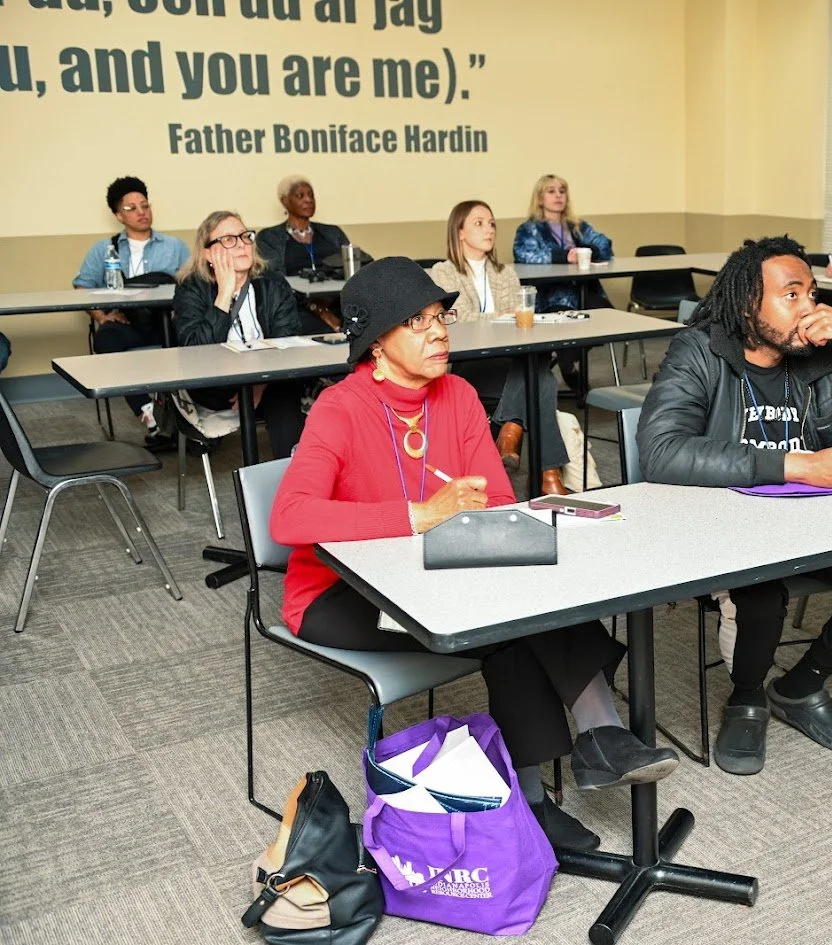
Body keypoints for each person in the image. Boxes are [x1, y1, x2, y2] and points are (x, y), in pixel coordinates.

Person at [269, 257, 677, 850]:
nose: (439, 331)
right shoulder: (340, 407)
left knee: (526, 601)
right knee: (503, 628)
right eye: (417, 321)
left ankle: (588, 749)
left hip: (439, 568)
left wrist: (471, 519)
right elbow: (290, 517)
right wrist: (421, 516)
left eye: (440, 316)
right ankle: (566, 770)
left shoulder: (456, 395)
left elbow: (500, 497)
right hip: (341, 591)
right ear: (375, 346)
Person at [637, 235, 832, 775]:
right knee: (762, 590)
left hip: (816, 523)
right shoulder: (701, 352)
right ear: (749, 302)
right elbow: (662, 451)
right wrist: (796, 465)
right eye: (791, 295)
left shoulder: (824, 356)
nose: (808, 309)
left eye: (812, 294)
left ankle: (803, 683)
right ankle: (746, 697)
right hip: (731, 528)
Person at [430, 199, 570, 494]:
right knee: (539, 375)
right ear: (460, 232)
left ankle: (510, 431)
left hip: (508, 362)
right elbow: (458, 319)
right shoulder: (442, 272)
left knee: (536, 365)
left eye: (492, 223)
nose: (489, 230)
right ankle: (548, 473)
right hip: (473, 365)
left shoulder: (504, 272)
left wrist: (504, 319)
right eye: (479, 223)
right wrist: (500, 317)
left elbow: (518, 318)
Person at [172, 211, 309, 459]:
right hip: (215, 387)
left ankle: (295, 484)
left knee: (284, 396)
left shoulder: (272, 283)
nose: (242, 245)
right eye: (228, 239)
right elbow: (195, 352)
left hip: (268, 381)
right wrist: (224, 293)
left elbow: (288, 344)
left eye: (245, 236)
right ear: (208, 253)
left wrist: (260, 385)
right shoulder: (191, 288)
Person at [73, 176, 191, 446]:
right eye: (132, 208)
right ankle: (148, 413)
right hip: (128, 323)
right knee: (106, 340)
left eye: (145, 205)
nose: (142, 212)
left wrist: (181, 310)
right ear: (118, 215)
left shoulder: (175, 247)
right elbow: (81, 286)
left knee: (196, 337)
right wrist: (103, 317)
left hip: (166, 321)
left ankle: (188, 413)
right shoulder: (104, 249)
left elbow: (192, 285)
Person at [513, 174, 614, 391]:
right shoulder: (529, 229)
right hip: (551, 294)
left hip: (583, 290)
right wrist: (564, 256)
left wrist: (591, 251)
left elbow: (605, 244)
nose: (558, 195)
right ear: (540, 198)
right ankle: (568, 368)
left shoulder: (577, 225)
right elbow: (523, 254)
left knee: (607, 317)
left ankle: (568, 362)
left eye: (562, 190)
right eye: (551, 191)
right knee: (565, 324)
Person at [255, 175, 352, 333]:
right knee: (319, 332)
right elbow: (275, 283)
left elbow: (355, 265)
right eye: (300, 195)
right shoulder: (269, 238)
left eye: (311, 195)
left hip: (337, 303)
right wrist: (318, 309)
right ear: (285, 201)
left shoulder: (333, 233)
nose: (308, 200)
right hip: (297, 307)